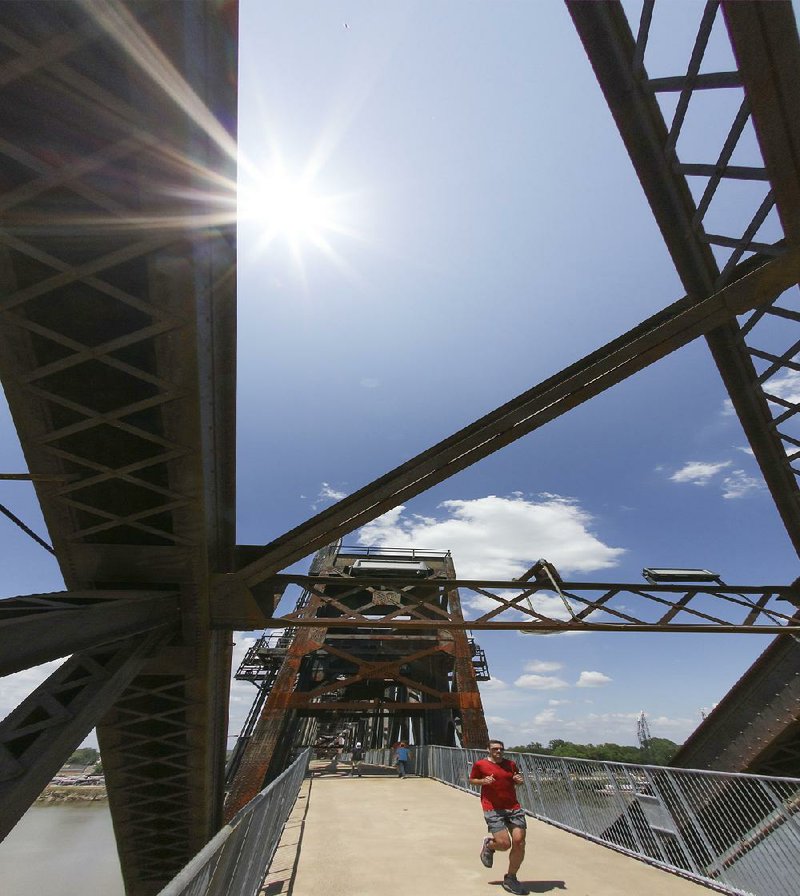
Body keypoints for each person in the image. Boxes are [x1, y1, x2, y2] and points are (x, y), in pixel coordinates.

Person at [469, 739, 528, 895]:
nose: (499, 751)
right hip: (492, 808)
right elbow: (472, 780)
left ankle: (511, 877)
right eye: (495, 749)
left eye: (501, 749)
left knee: (519, 842)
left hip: (513, 807)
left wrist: (519, 781)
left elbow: (517, 780)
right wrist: (482, 781)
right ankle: (489, 845)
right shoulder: (480, 765)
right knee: (504, 844)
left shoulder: (511, 764)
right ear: (488, 750)